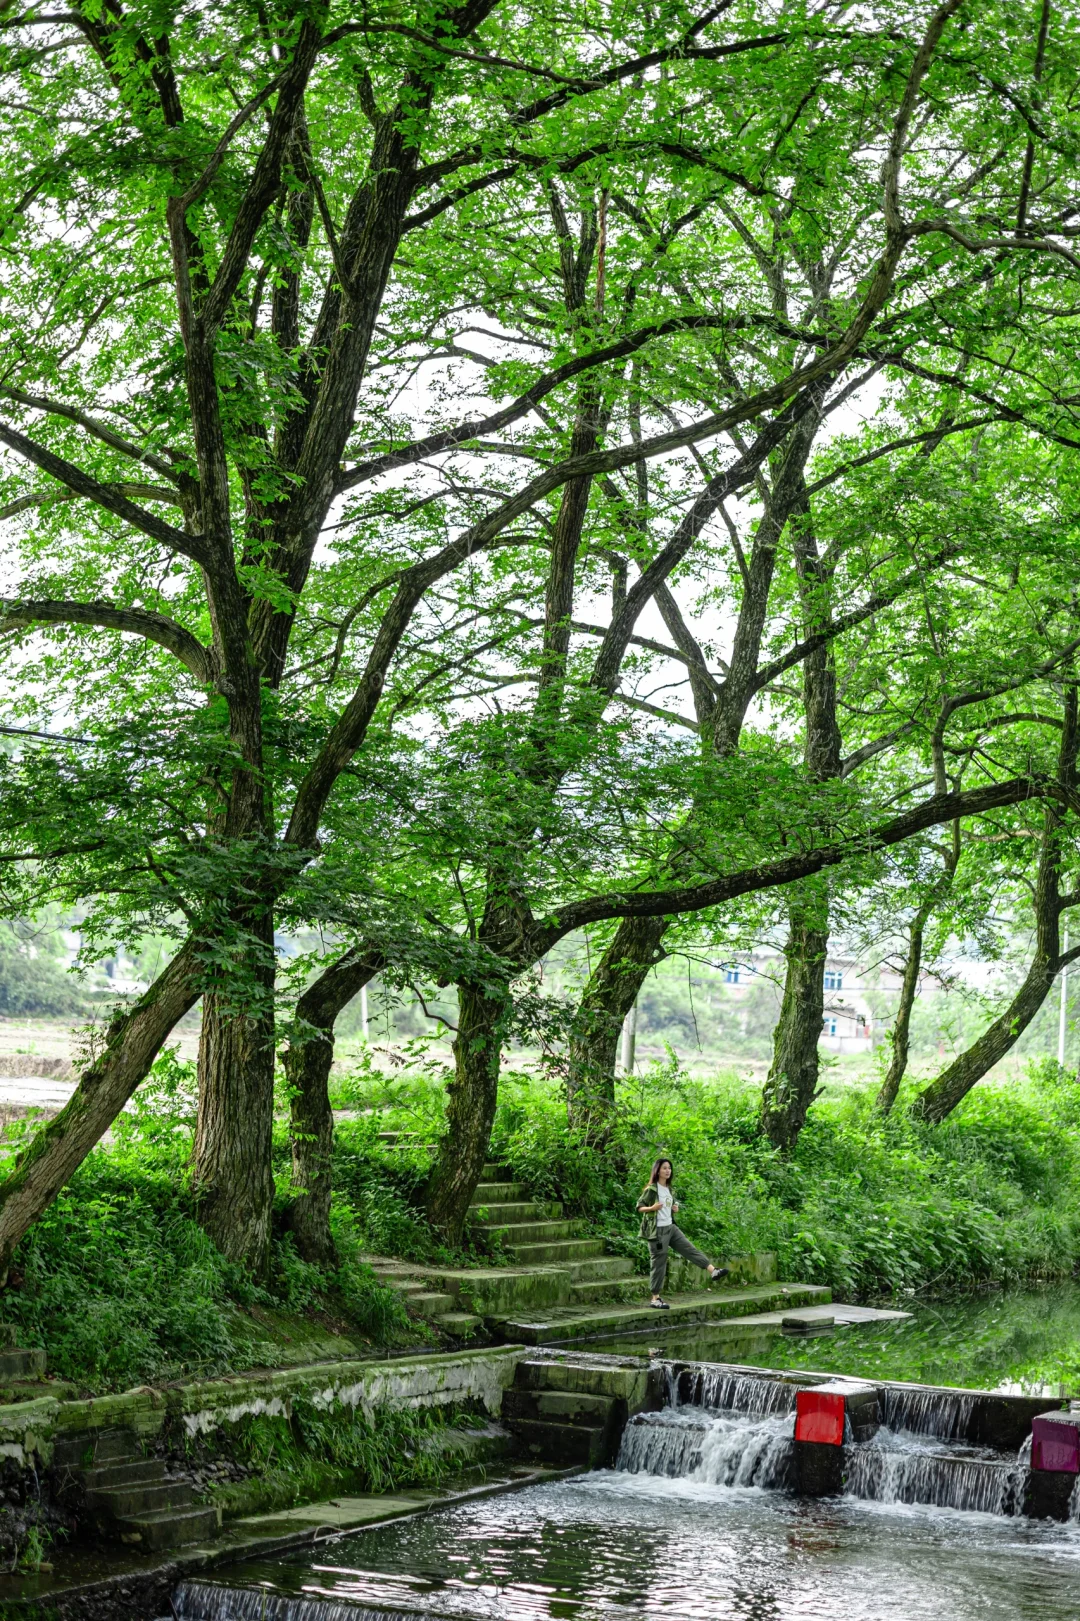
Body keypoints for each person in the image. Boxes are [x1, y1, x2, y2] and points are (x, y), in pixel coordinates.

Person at [637, 1157, 729, 1309]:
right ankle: (655, 1298)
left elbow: (667, 1205)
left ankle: (713, 1271)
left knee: (689, 1248)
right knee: (659, 1263)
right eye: (665, 1168)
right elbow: (639, 1207)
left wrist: (673, 1208)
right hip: (657, 1232)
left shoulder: (668, 1188)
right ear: (657, 1170)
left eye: (669, 1168)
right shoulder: (651, 1189)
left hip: (671, 1227)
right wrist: (651, 1208)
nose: (668, 1171)